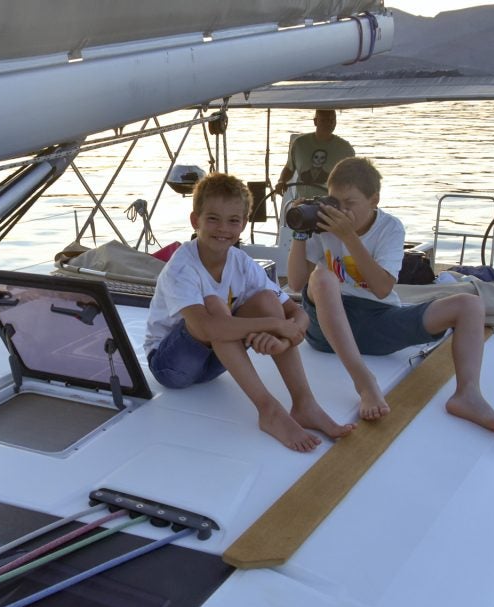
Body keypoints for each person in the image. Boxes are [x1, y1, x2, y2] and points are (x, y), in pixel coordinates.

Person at [285, 157, 494, 433]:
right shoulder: (323, 226)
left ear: (374, 200)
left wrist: (349, 237)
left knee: (470, 304)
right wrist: (301, 233)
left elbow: (382, 288)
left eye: (350, 204)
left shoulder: (390, 228)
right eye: (336, 202)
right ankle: (364, 382)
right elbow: (297, 283)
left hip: (376, 318)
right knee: (321, 277)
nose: (342, 211)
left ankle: (468, 395)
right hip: (325, 326)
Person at [144, 173, 354, 452]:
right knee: (217, 308)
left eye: (233, 220)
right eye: (213, 219)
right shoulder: (182, 266)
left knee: (267, 299)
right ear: (195, 221)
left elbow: (295, 311)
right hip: (171, 366)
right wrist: (272, 325)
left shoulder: (241, 262)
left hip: (215, 362)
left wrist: (284, 337)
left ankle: (305, 404)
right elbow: (207, 328)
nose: (223, 228)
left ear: (243, 224)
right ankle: (269, 410)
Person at [275, 110, 355, 199]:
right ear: (315, 121)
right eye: (324, 120)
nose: (328, 124)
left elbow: (352, 177)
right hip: (302, 202)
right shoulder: (299, 144)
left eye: (332, 120)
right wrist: (281, 181)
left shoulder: (345, 148)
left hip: (331, 203)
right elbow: (289, 168)